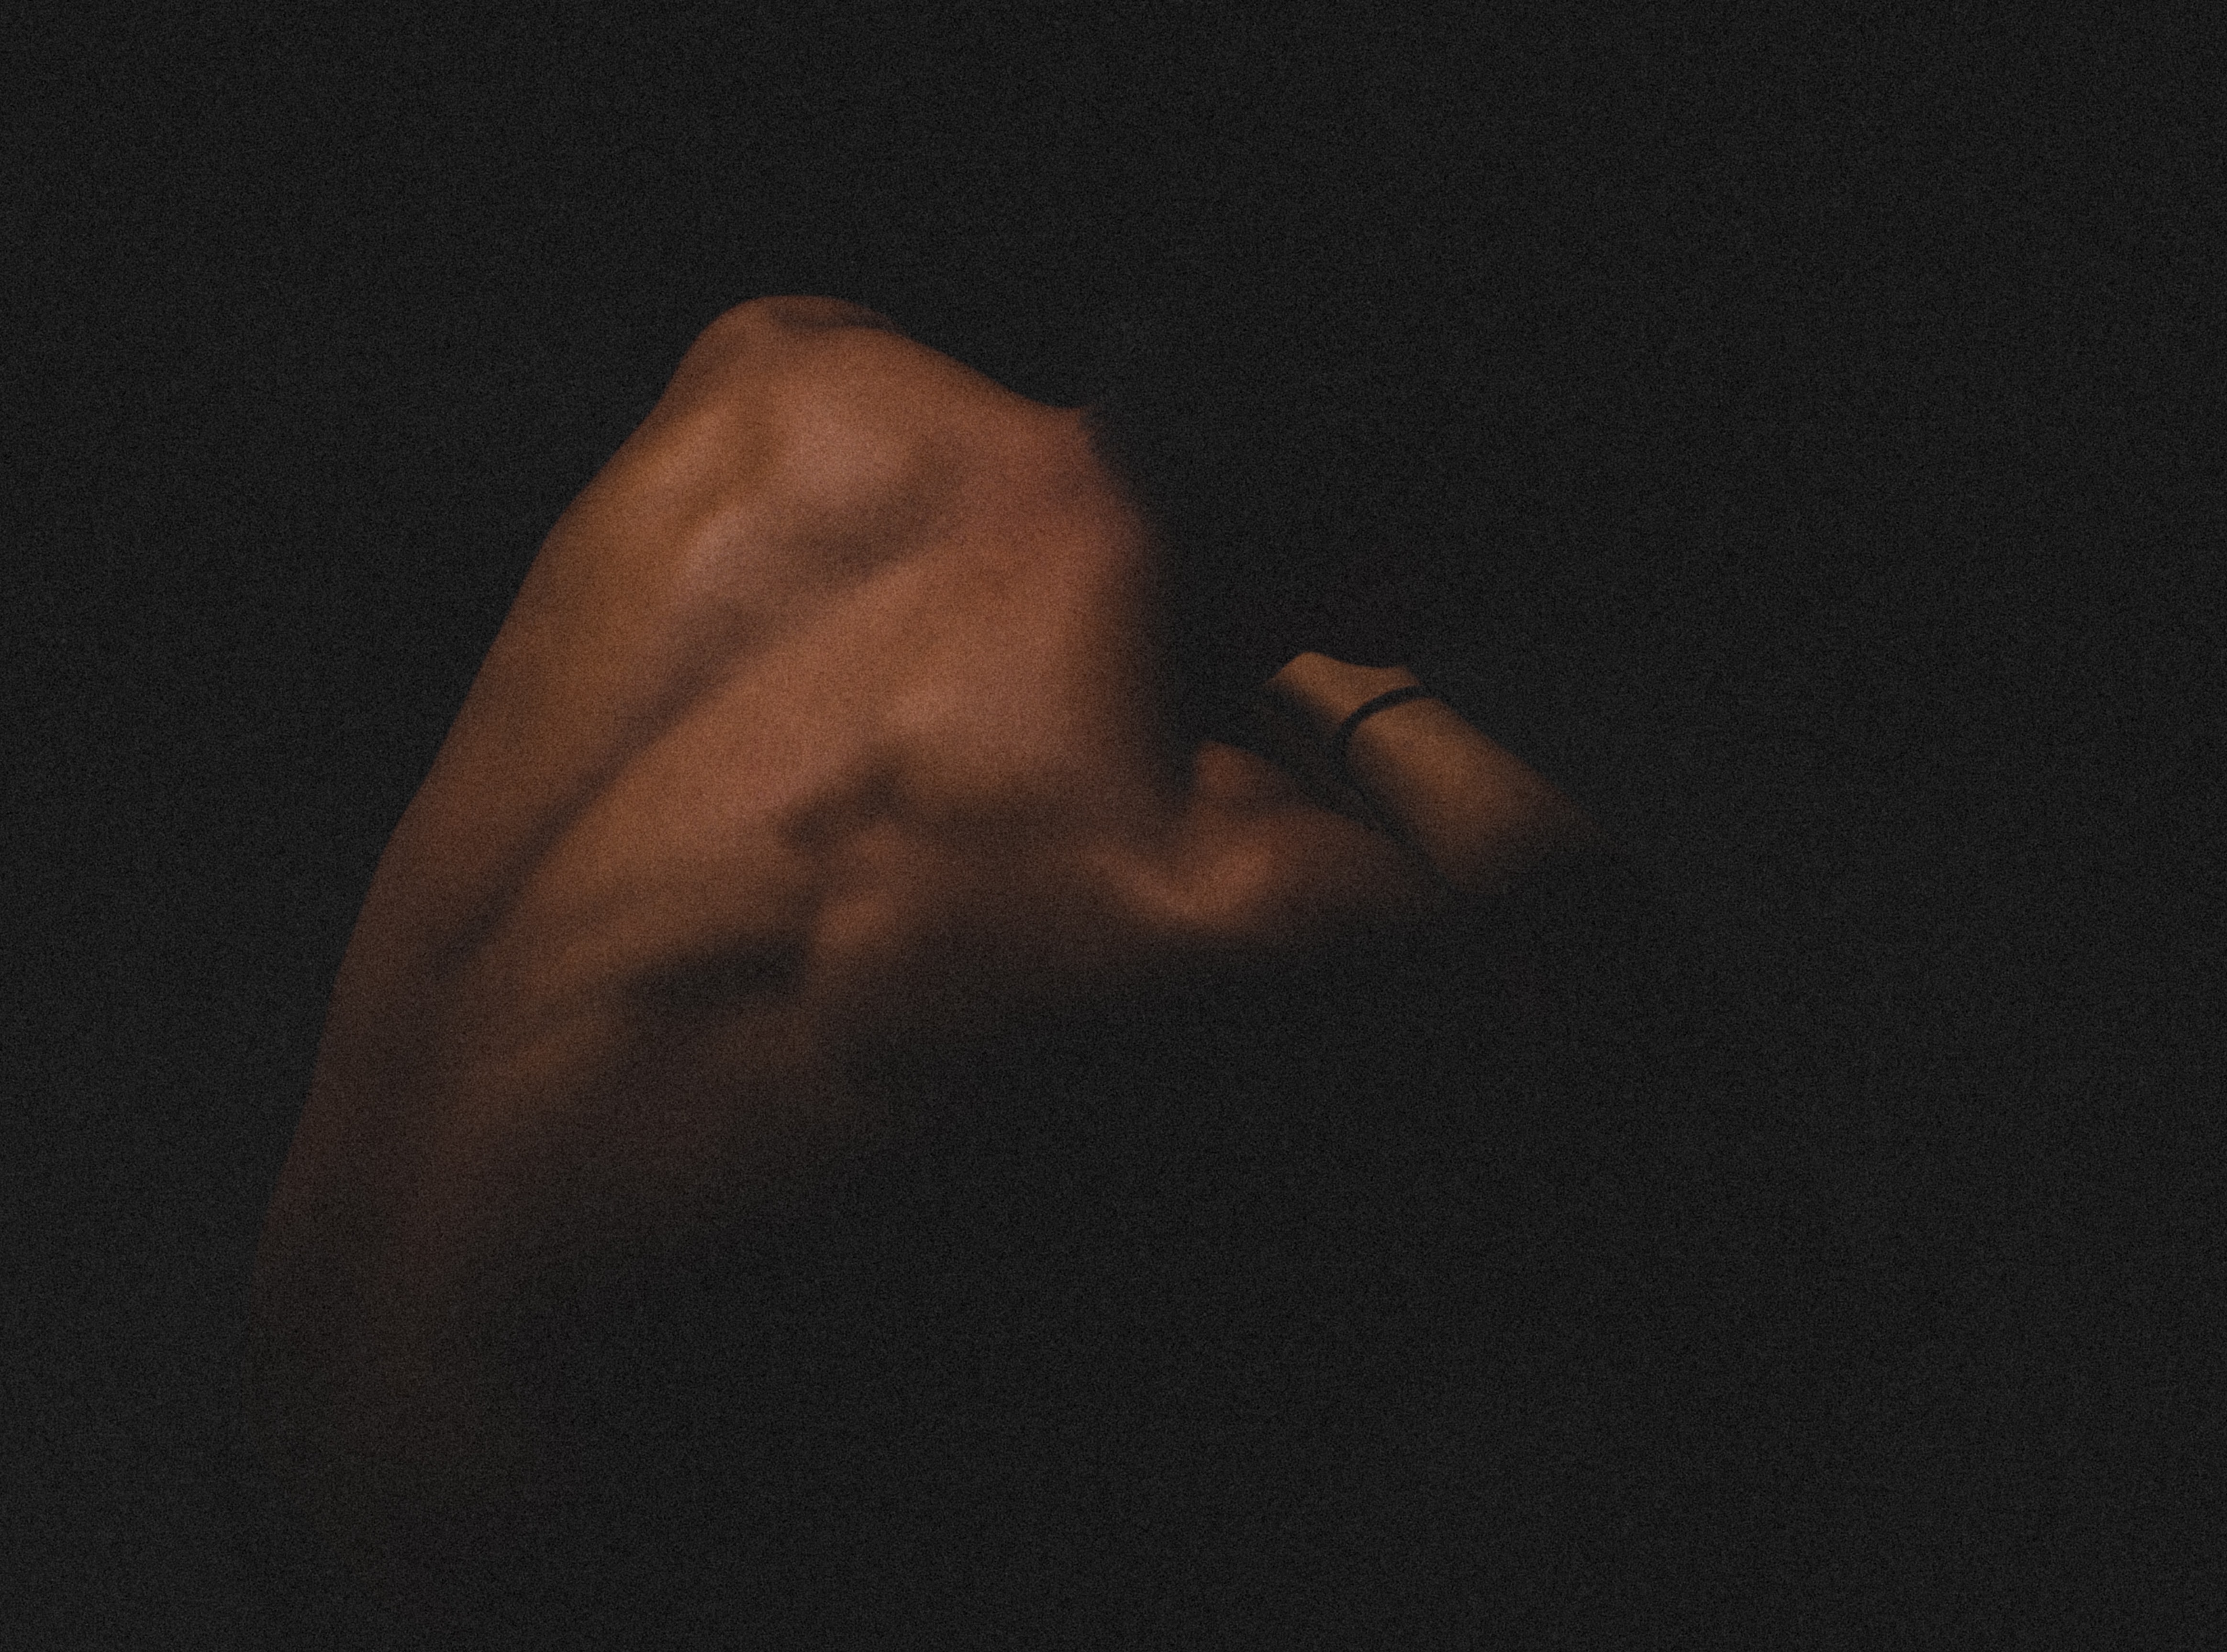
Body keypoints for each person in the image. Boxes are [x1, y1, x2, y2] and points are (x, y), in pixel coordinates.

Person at [239, 296, 1646, 1646]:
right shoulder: (1212, 889)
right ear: (1395, 572)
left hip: (268, 1482)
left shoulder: (774, 362)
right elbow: (1570, 918)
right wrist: (1357, 675)